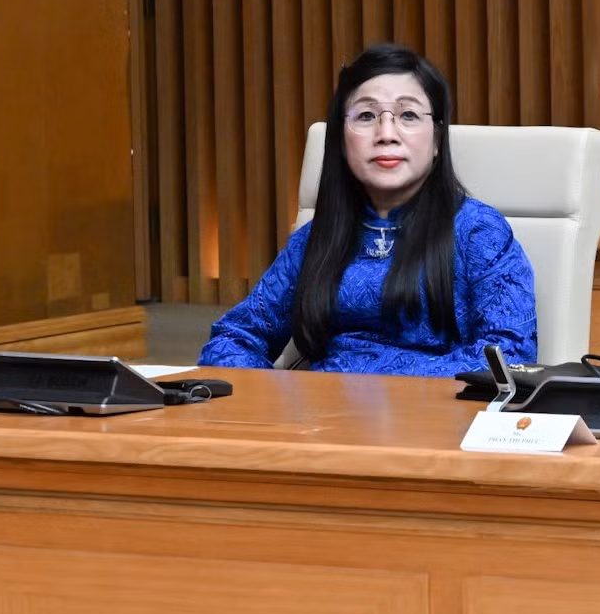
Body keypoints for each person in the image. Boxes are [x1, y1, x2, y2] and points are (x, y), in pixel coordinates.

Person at [200, 44, 537, 374]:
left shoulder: (479, 233)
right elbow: (234, 339)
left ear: (437, 140)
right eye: (365, 115)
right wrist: (282, 402)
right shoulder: (316, 240)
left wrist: (371, 391)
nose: (386, 133)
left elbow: (509, 356)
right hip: (324, 422)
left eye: (408, 115)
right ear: (342, 142)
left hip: (436, 423)